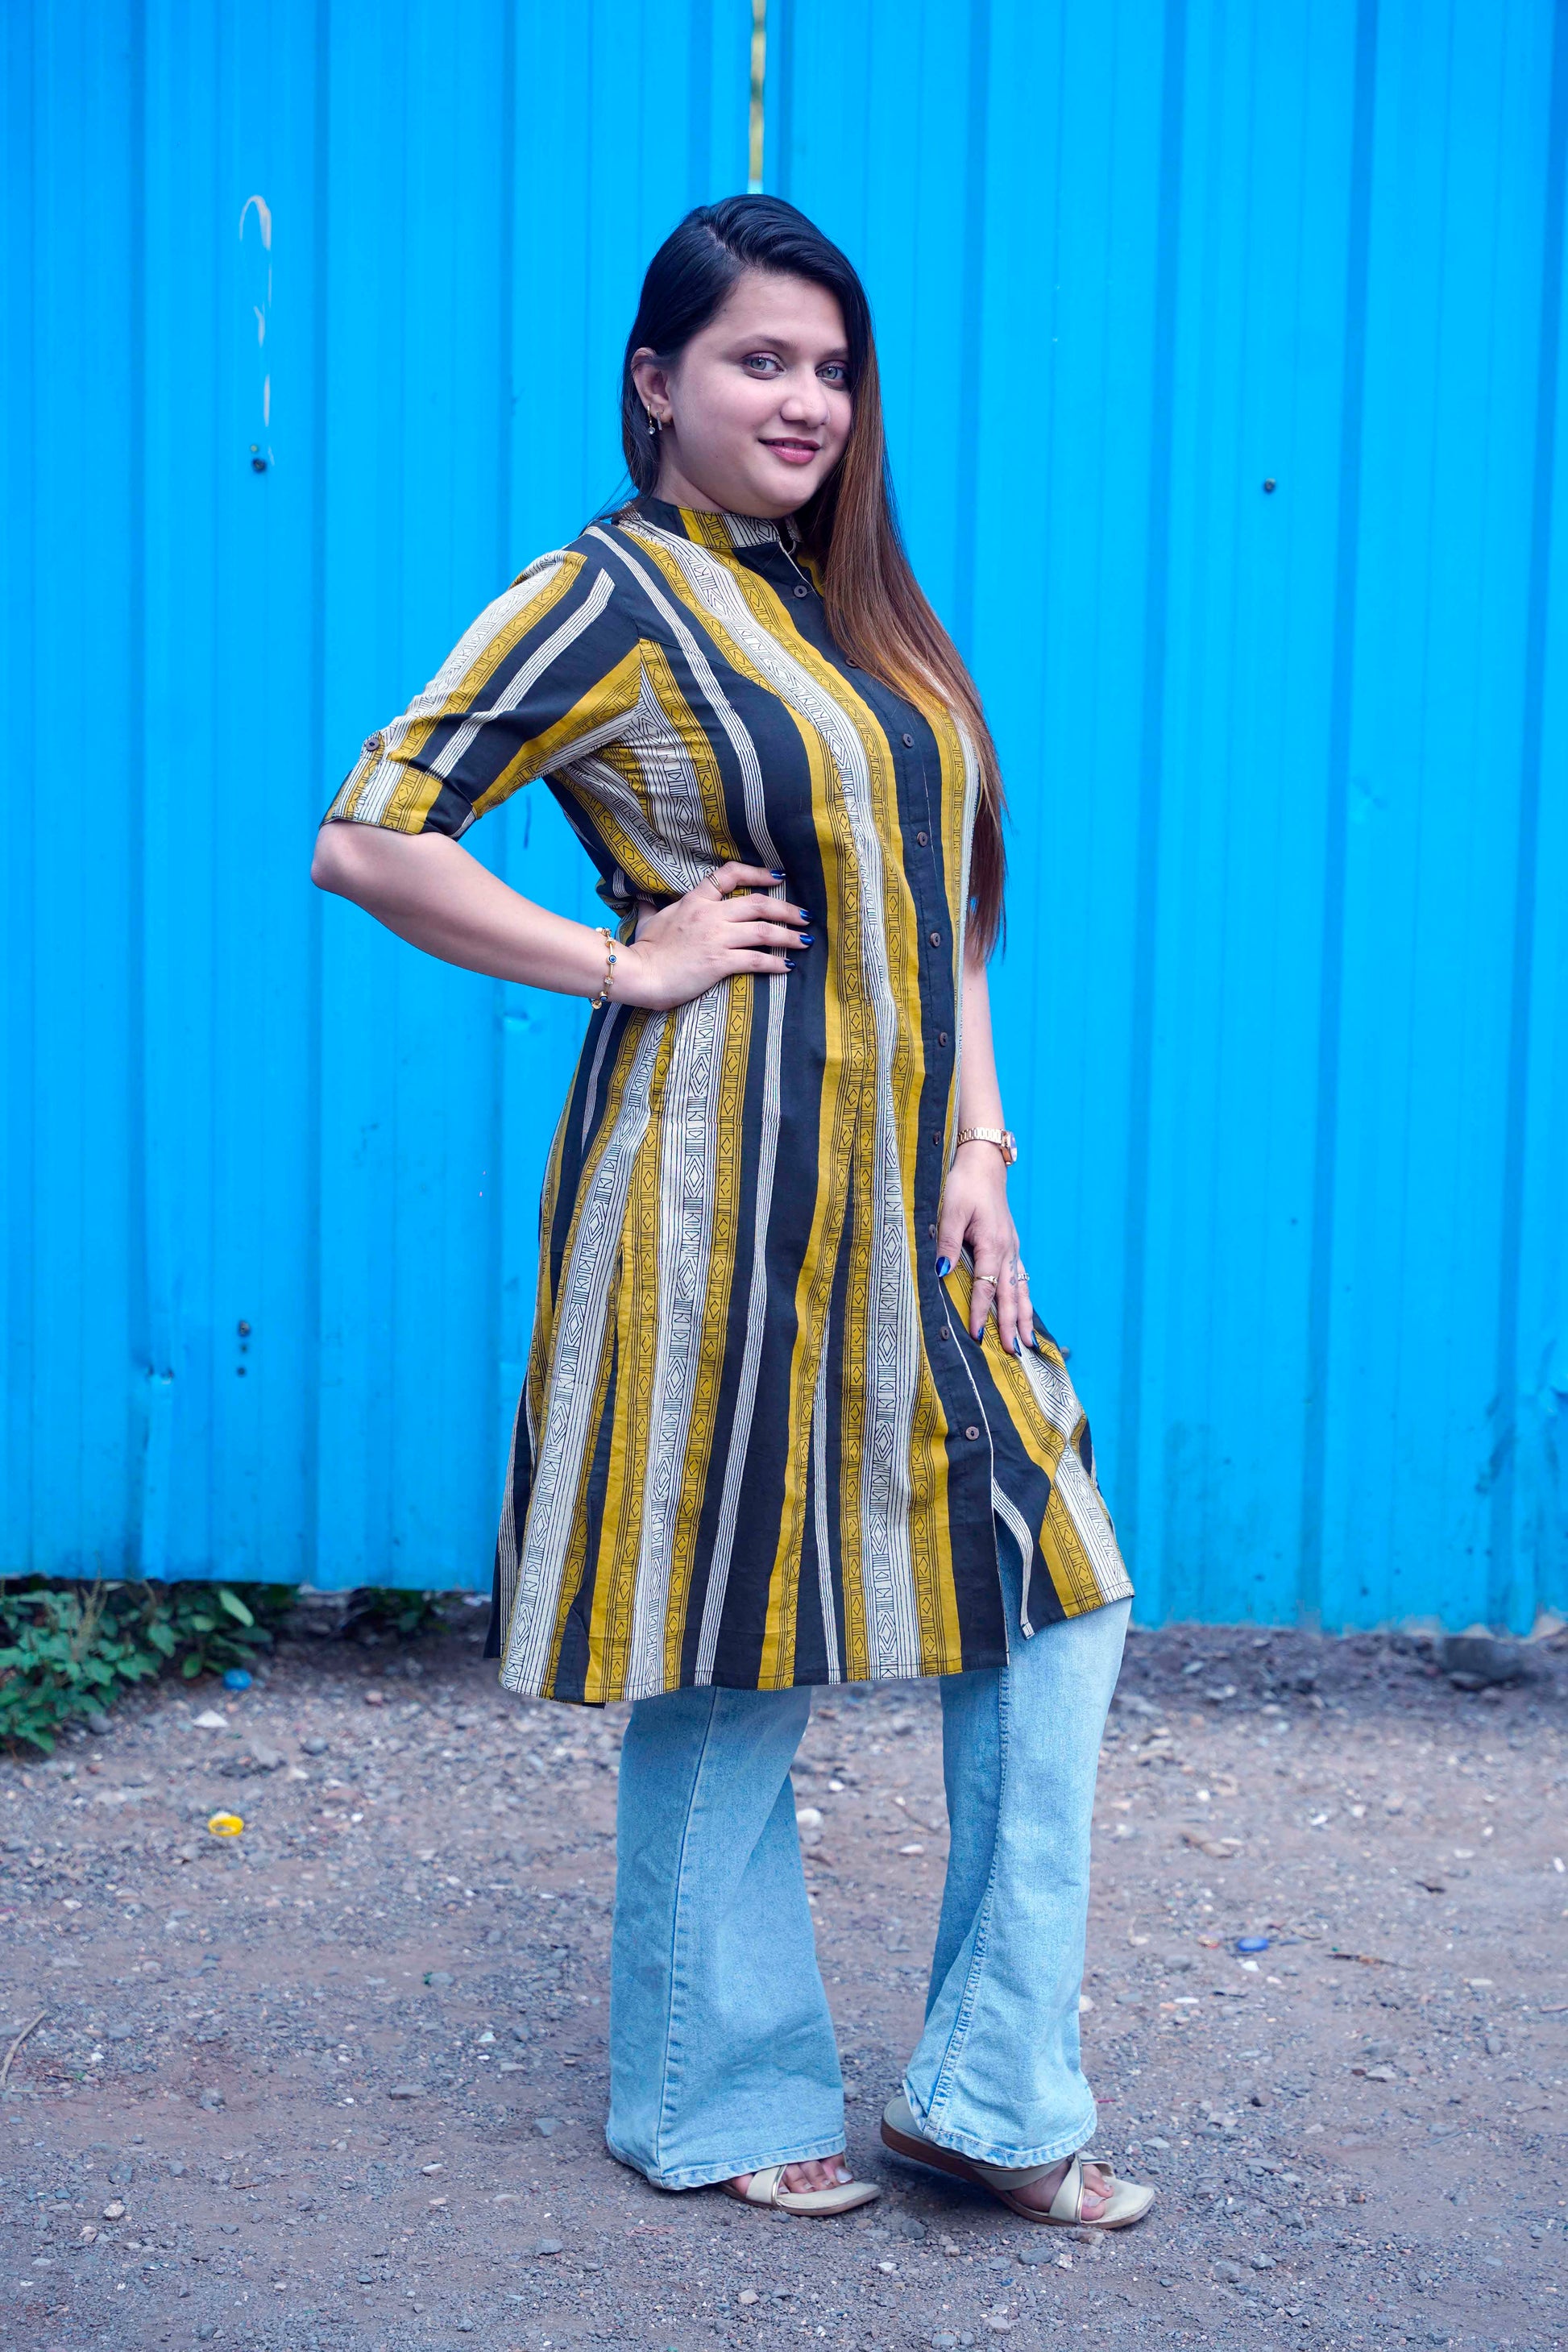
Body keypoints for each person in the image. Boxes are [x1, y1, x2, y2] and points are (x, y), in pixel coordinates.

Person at [312, 196, 1151, 2233]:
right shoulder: (599, 597)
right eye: (759, 359)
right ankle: (710, 2091)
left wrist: (980, 1146)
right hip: (715, 1201)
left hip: (910, 1204)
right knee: (729, 1637)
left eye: (831, 367)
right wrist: (624, 960)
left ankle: (989, 2088)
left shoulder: (858, 610)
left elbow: (945, 903)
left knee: (1060, 1593)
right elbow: (370, 836)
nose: (805, 400)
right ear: (654, 381)